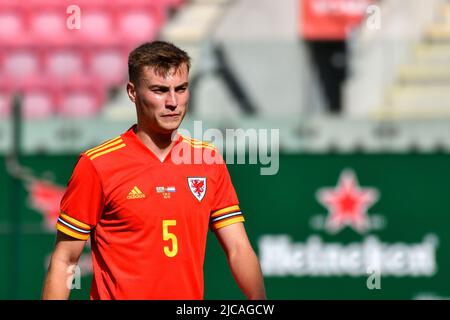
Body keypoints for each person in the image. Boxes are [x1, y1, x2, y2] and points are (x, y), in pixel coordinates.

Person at [41, 41, 266, 300]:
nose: (173, 102)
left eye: (180, 89)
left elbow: (238, 248)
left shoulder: (207, 160)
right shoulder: (97, 165)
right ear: (132, 92)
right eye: (160, 90)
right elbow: (65, 259)